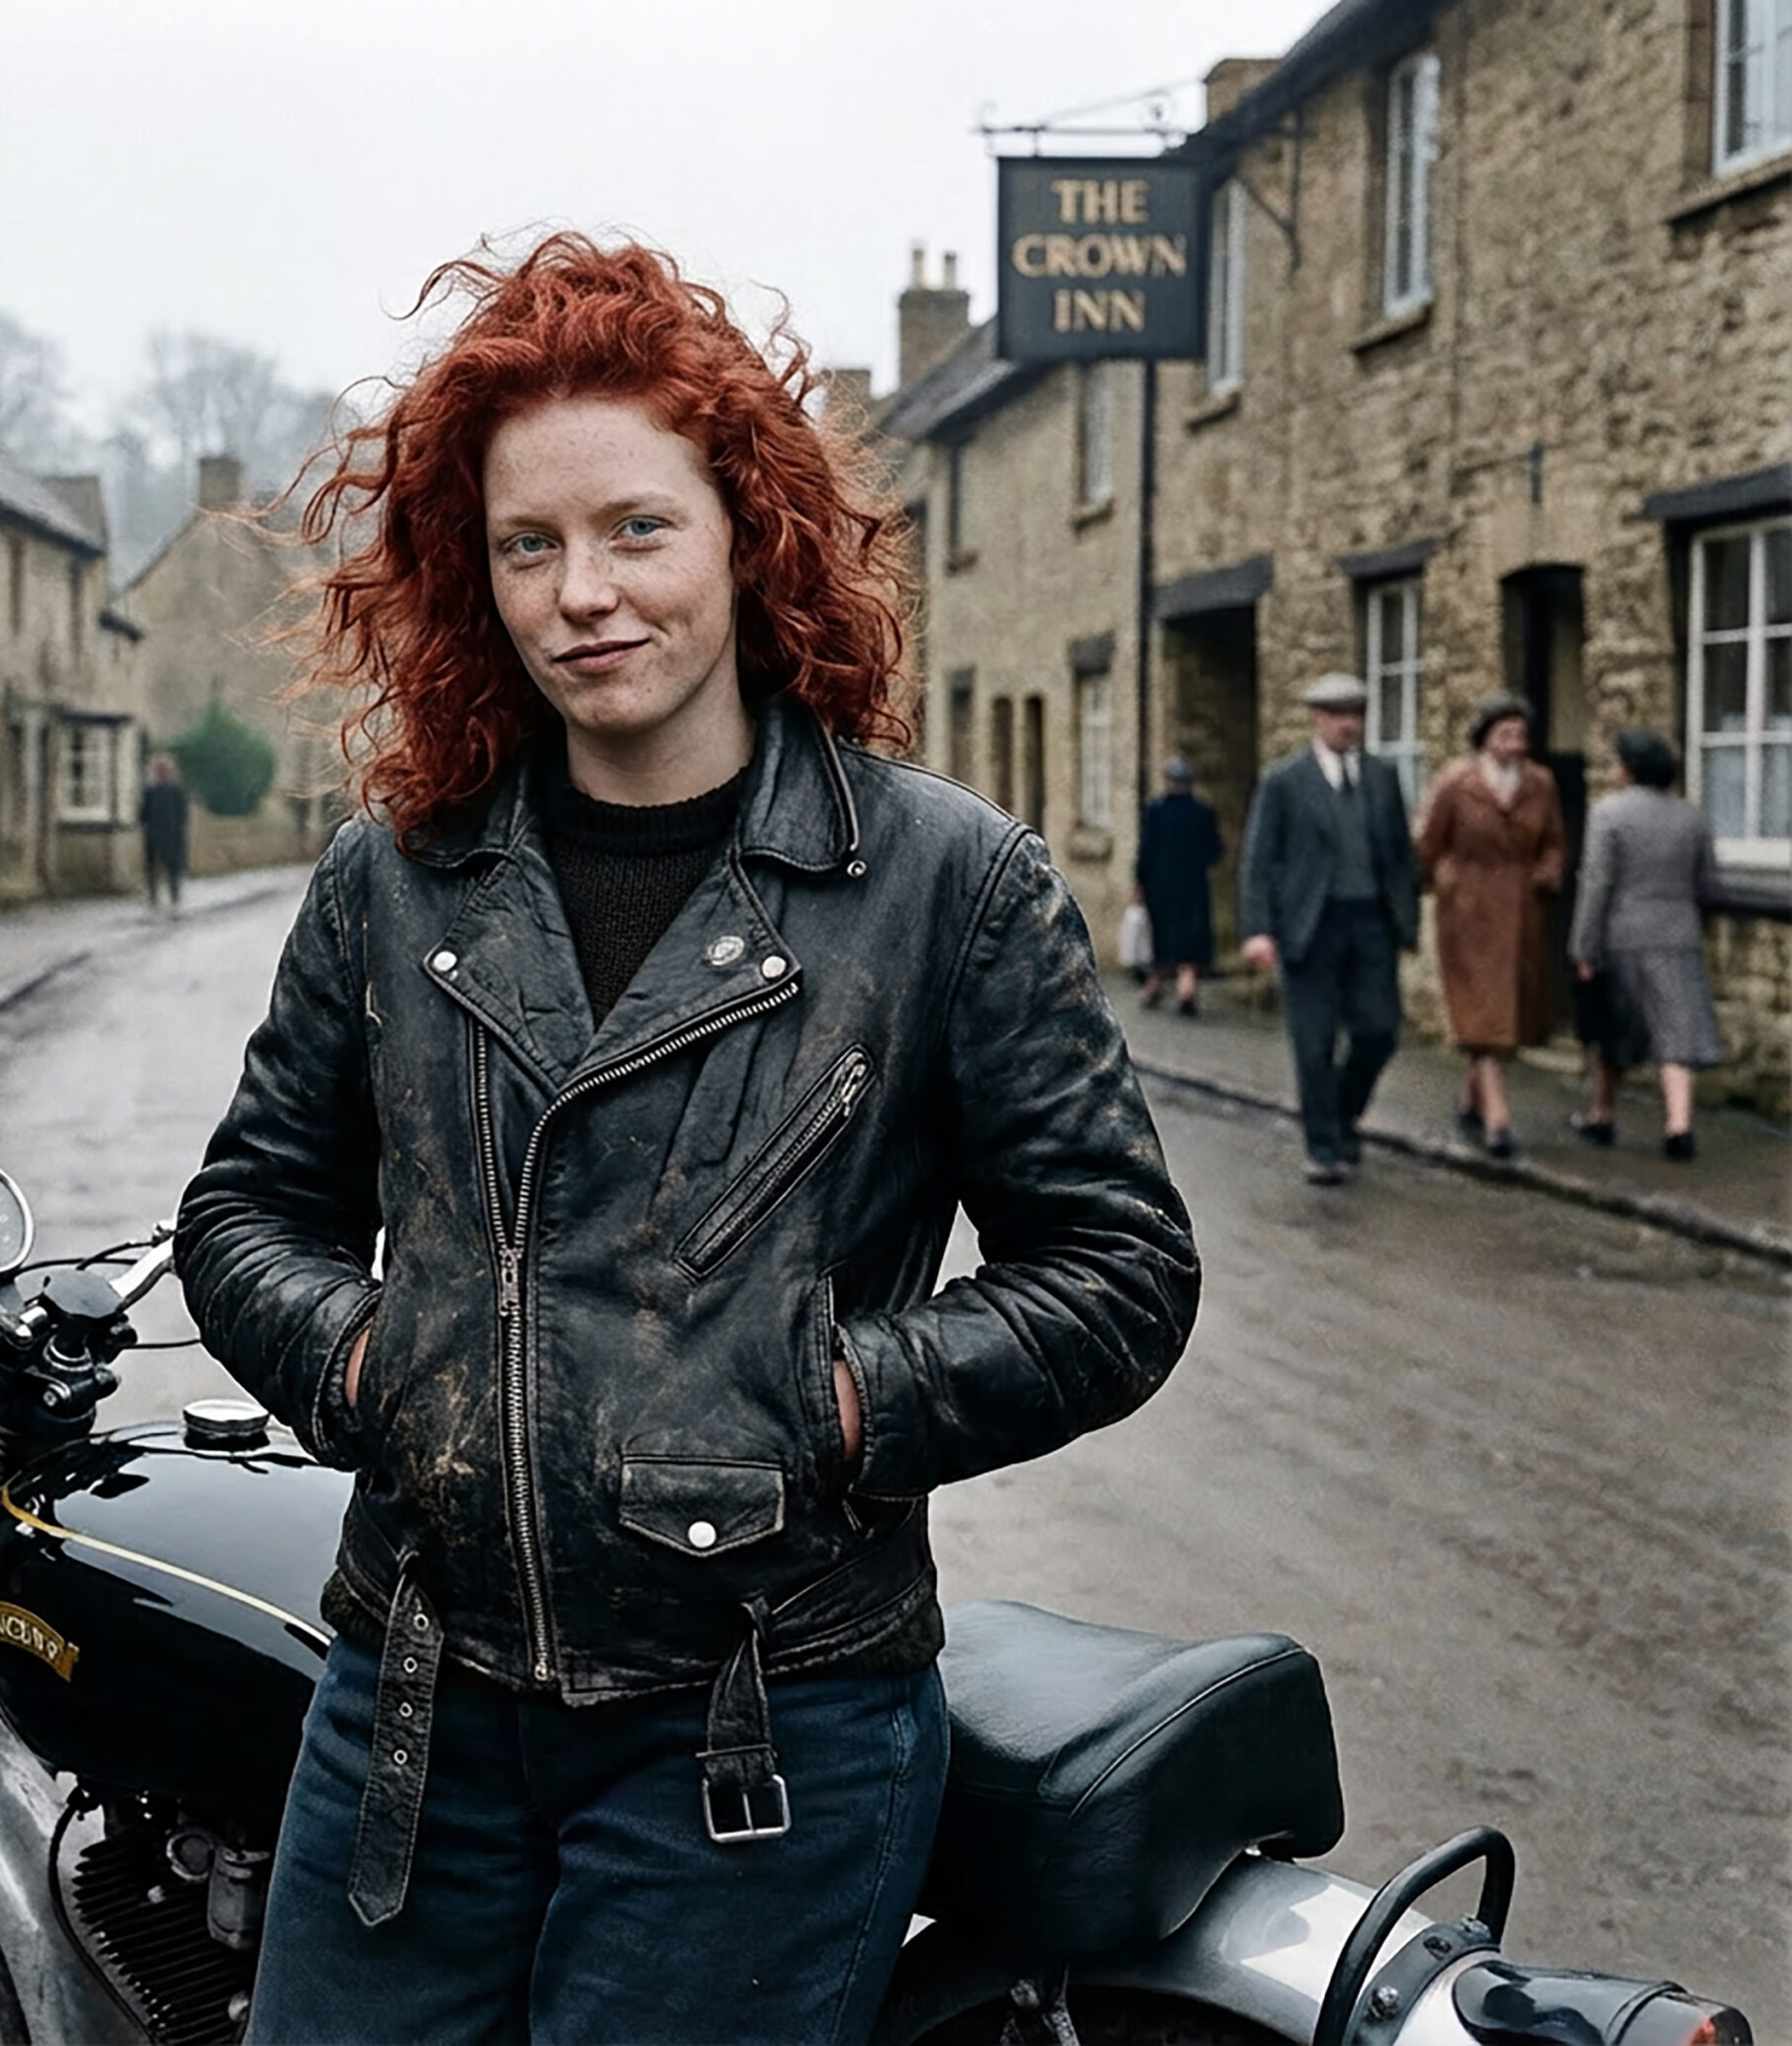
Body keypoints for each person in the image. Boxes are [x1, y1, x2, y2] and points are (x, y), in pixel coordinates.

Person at [175, 234, 1200, 2046]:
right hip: (410, 1706)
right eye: (529, 544)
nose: (587, 592)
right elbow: (252, 1202)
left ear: (746, 531)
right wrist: (367, 1356)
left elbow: (1118, 1274)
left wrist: (835, 1399)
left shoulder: (944, 886)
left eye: (637, 529)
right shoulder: (395, 878)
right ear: (472, 573)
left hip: (761, 1726)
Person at [1237, 671, 1420, 1185]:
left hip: (1370, 922)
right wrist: (1258, 928)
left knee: (1379, 1032)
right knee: (1314, 1043)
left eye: (1356, 715)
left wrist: (1405, 919)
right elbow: (1259, 859)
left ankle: (1342, 1114)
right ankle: (1322, 1144)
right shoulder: (1284, 780)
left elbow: (1401, 857)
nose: (1349, 725)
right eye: (1339, 715)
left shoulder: (1382, 778)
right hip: (1309, 927)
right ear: (1319, 719)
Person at [1412, 694, 1566, 1160]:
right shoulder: (1457, 782)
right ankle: (1498, 1121)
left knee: (1505, 1011)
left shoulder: (1540, 782)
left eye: (1521, 735)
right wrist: (1446, 881)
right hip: (1468, 913)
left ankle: (1470, 1098)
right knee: (1482, 1013)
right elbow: (1426, 841)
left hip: (1521, 911)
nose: (1515, 744)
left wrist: (1543, 875)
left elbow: (1555, 842)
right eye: (1505, 734)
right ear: (1484, 737)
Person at [1568, 727, 1723, 1162]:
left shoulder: (1609, 814)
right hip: (1678, 933)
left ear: (1628, 768)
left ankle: (1603, 1116)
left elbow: (1596, 884)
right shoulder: (1691, 816)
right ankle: (1679, 1126)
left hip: (1624, 935)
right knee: (1677, 1031)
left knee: (1613, 1030)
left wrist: (1583, 947)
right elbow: (1708, 883)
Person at [1135, 755, 1222, 1016]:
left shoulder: (1155, 811)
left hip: (1160, 884)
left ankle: (1154, 986)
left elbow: (1146, 850)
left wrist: (1139, 881)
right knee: (1191, 934)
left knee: (1159, 935)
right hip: (1193, 884)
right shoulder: (1203, 812)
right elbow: (1216, 849)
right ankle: (1187, 988)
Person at [140, 754, 189, 912]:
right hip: (153, 834)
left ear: (169, 772)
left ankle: (174, 895)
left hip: (172, 835)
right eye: (157, 770)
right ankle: (153, 896)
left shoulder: (177, 791)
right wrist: (144, 825)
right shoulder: (149, 791)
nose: (160, 773)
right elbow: (143, 812)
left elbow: (183, 814)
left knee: (172, 868)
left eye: (163, 770)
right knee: (151, 867)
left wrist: (178, 830)